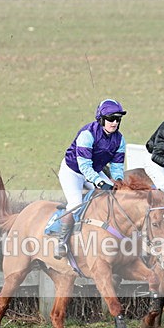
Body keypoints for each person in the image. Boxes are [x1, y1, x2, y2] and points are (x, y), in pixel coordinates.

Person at [56, 98, 127, 259]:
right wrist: (100, 182)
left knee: (114, 198)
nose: (115, 123)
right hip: (73, 172)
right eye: (111, 118)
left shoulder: (120, 139)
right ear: (101, 119)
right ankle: (61, 242)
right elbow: (84, 166)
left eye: (118, 119)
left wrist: (117, 181)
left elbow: (117, 166)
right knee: (76, 203)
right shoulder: (87, 134)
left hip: (94, 171)